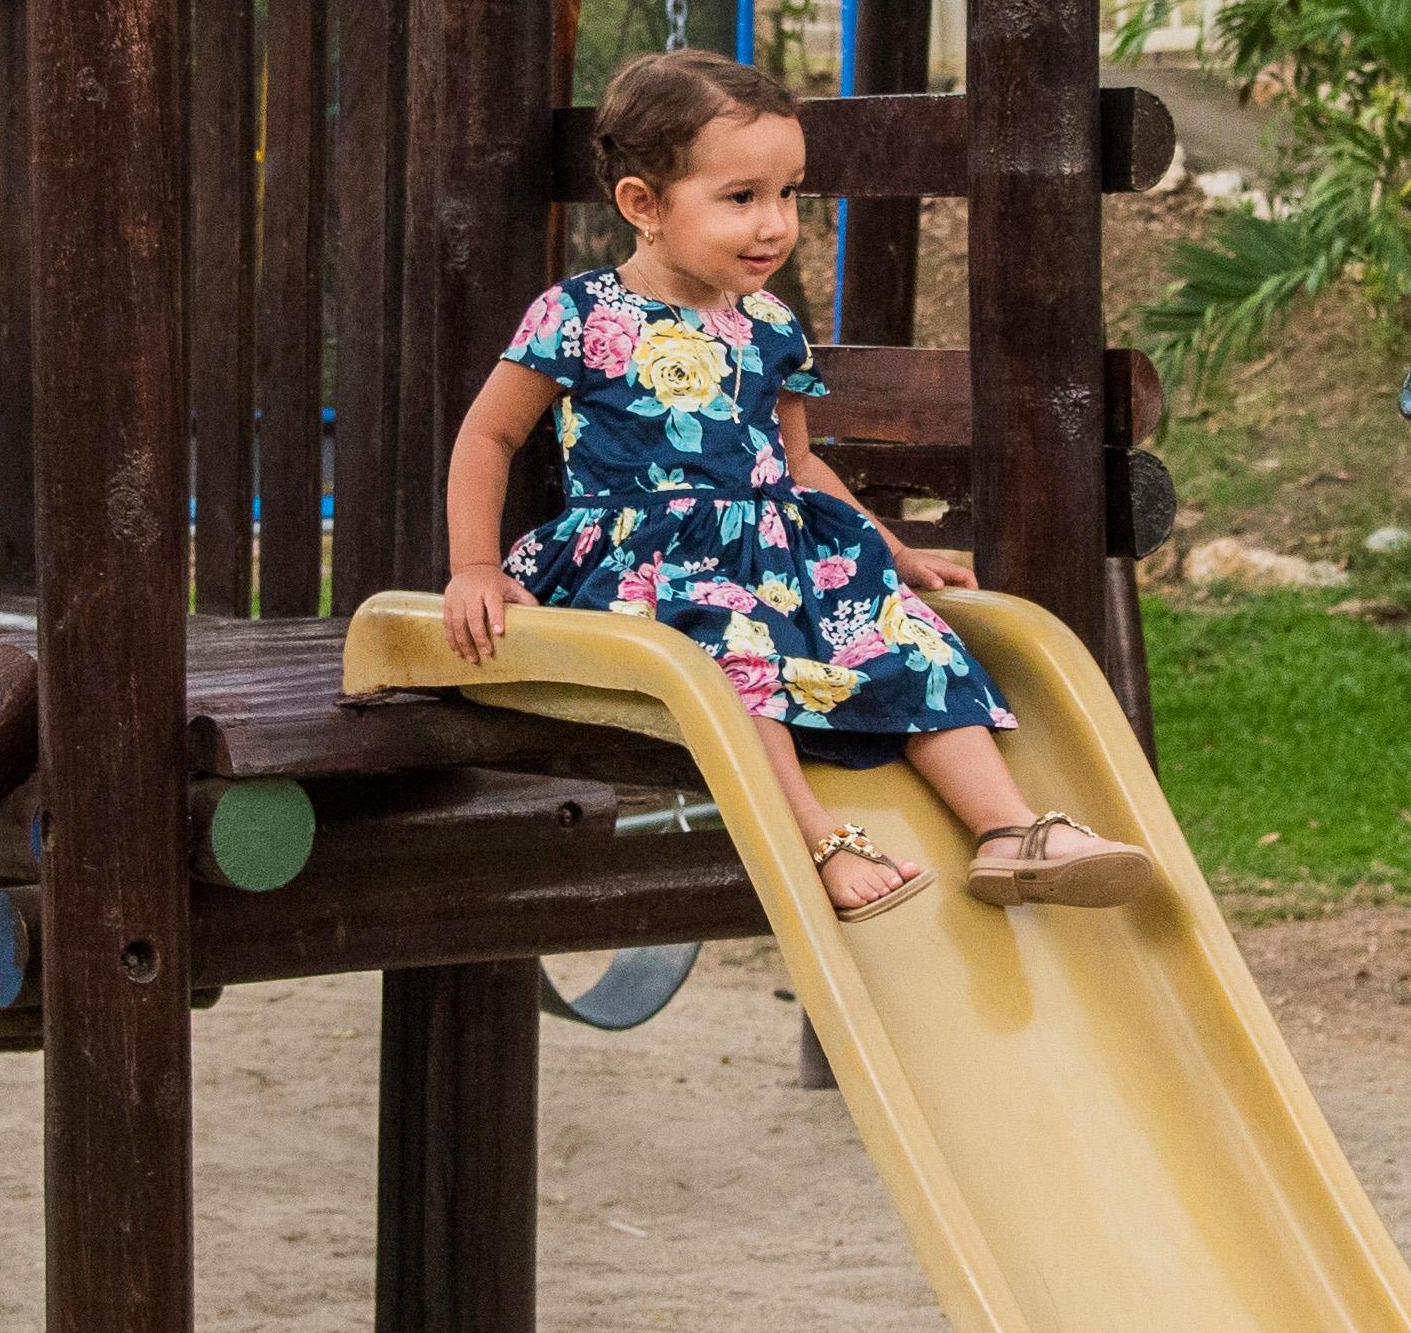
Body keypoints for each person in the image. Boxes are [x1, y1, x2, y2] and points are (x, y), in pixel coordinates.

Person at [432, 47, 1153, 923]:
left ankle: (1008, 832)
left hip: (781, 553)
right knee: (730, 644)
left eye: (789, 195)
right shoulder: (579, 314)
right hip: (648, 564)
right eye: (742, 199)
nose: (775, 224)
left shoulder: (770, 324)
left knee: (904, 633)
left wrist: (892, 551)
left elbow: (798, 464)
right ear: (643, 206)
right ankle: (813, 835)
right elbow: (490, 433)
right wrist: (473, 565)